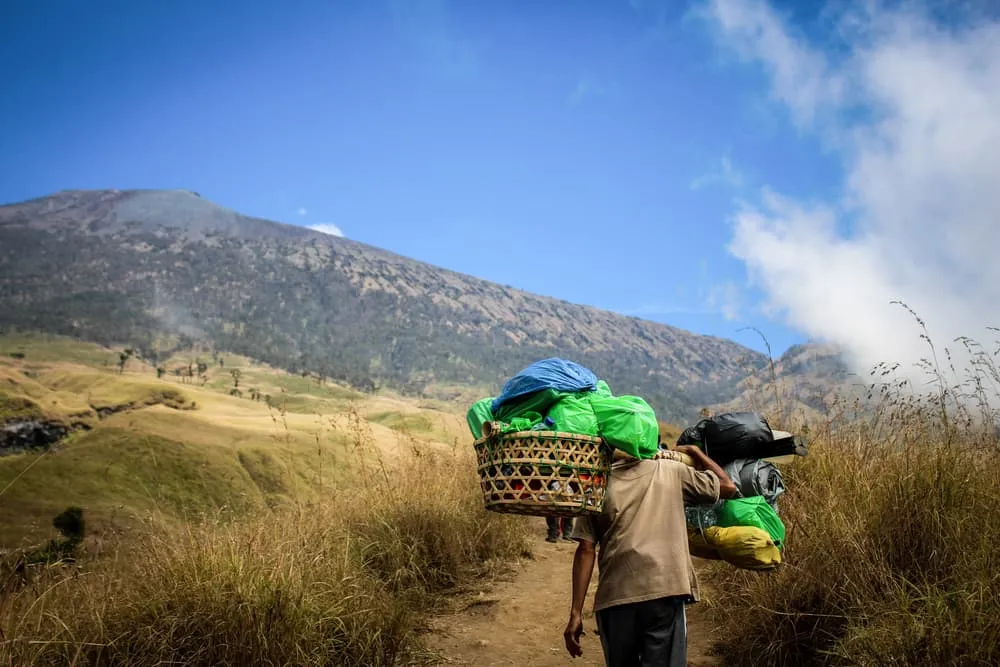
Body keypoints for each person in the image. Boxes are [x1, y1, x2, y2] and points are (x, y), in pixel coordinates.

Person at [563, 445, 738, 666]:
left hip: (615, 597)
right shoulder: (671, 470)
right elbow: (727, 487)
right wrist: (696, 452)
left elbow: (586, 551)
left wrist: (576, 614)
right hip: (664, 591)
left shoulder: (598, 484)